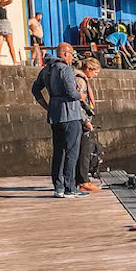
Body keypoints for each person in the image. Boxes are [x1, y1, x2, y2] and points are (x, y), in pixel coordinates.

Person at [31, 41, 88, 198]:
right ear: (64, 53)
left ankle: (59, 188)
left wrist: (47, 106)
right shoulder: (65, 70)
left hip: (55, 115)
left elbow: (35, 89)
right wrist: (81, 96)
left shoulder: (46, 69)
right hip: (70, 115)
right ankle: (71, 188)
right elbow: (72, 94)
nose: (72, 57)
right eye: (71, 54)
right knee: (71, 152)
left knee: (58, 152)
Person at [74, 57, 102, 191]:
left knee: (84, 150)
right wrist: (86, 121)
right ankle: (83, 181)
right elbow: (79, 103)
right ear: (89, 69)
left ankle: (80, 179)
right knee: (84, 151)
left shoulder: (80, 78)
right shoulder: (80, 80)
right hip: (82, 119)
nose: (95, 76)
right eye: (95, 72)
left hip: (81, 118)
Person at [0, 0, 17, 65]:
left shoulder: (3, 4)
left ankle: (14, 61)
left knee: (10, 44)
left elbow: (10, 0)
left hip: (4, 23)